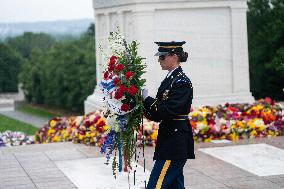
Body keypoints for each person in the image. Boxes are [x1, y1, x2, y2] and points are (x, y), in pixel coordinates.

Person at [142, 41, 195, 189]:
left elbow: (168, 111)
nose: (159, 60)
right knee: (175, 186)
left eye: (162, 57)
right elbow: (159, 115)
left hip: (174, 143)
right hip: (170, 139)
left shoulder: (181, 82)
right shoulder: (169, 80)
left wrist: (147, 99)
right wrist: (140, 105)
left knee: (155, 186)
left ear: (173, 57)